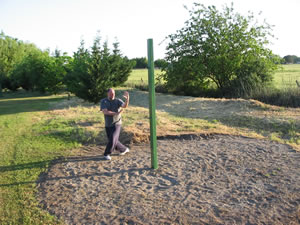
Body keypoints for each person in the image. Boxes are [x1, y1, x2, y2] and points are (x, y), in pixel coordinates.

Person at [100, 88, 130, 160]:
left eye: (113, 93)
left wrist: (127, 99)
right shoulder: (103, 101)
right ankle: (124, 149)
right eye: (111, 93)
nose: (112, 95)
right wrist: (116, 113)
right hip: (108, 124)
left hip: (117, 123)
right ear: (108, 94)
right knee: (113, 140)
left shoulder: (118, 100)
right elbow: (105, 112)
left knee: (113, 138)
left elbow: (124, 106)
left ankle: (107, 153)